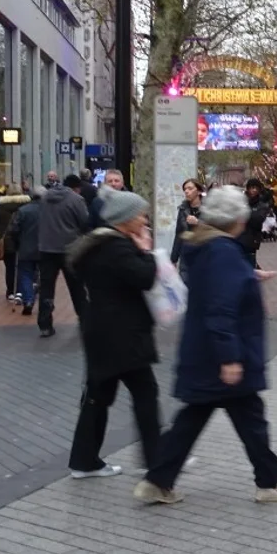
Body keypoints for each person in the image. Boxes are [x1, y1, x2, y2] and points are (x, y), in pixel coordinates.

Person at [134, 187, 277, 506]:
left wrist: (247, 275)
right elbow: (221, 309)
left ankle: (158, 480)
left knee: (195, 419)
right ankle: (269, 483)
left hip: (204, 352)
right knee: (249, 419)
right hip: (223, 355)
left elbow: (217, 289)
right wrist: (230, 358)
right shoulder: (223, 252)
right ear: (237, 219)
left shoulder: (206, 246)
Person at [65, 187, 162, 480]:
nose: (145, 219)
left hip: (101, 331)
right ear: (126, 218)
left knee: (98, 396)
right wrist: (146, 252)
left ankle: (84, 461)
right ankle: (156, 459)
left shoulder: (96, 244)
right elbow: (144, 278)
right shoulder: (117, 247)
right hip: (122, 333)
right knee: (145, 392)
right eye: (141, 215)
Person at [37, 174, 90, 338]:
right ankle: (85, 320)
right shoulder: (76, 200)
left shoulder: (45, 198)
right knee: (77, 287)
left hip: (46, 248)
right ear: (77, 187)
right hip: (70, 249)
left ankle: (45, 324)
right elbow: (85, 222)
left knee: (46, 288)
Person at [5, 187, 42, 316]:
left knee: (25, 274)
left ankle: (28, 300)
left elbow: (13, 230)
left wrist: (16, 242)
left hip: (25, 247)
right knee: (42, 274)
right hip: (44, 248)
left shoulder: (23, 210)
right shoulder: (49, 211)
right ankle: (38, 293)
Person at [0, 187, 30, 302]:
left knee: (9, 267)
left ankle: (10, 291)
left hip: (6, 241)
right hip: (22, 240)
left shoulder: (1, 206)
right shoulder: (25, 205)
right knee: (23, 267)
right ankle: (20, 291)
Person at [171, 178, 203, 267]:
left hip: (203, 254)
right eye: (185, 189)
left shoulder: (208, 208)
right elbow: (179, 234)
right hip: (186, 255)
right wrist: (174, 259)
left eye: (190, 188)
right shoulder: (183, 209)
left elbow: (214, 228)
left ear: (199, 191)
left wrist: (198, 222)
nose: (186, 191)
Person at [240, 179, 270, 268]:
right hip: (239, 235)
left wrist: (244, 213)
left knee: (250, 260)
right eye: (252, 188)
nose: (254, 190)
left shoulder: (262, 204)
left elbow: (258, 219)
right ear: (248, 188)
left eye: (256, 188)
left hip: (252, 237)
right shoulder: (241, 201)